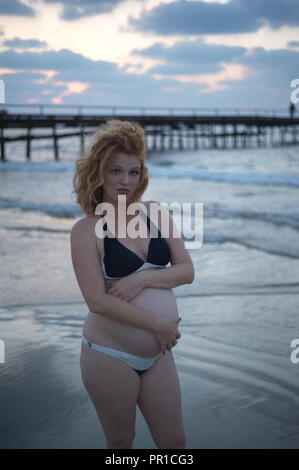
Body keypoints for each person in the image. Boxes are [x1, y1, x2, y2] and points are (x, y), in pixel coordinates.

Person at [70, 119, 194, 449]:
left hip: (157, 356)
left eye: (133, 172)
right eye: (116, 171)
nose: (126, 180)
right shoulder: (86, 230)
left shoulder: (155, 213)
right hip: (109, 355)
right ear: (99, 173)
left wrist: (143, 279)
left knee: (174, 443)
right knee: (122, 443)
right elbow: (96, 301)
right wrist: (159, 324)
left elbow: (186, 270)